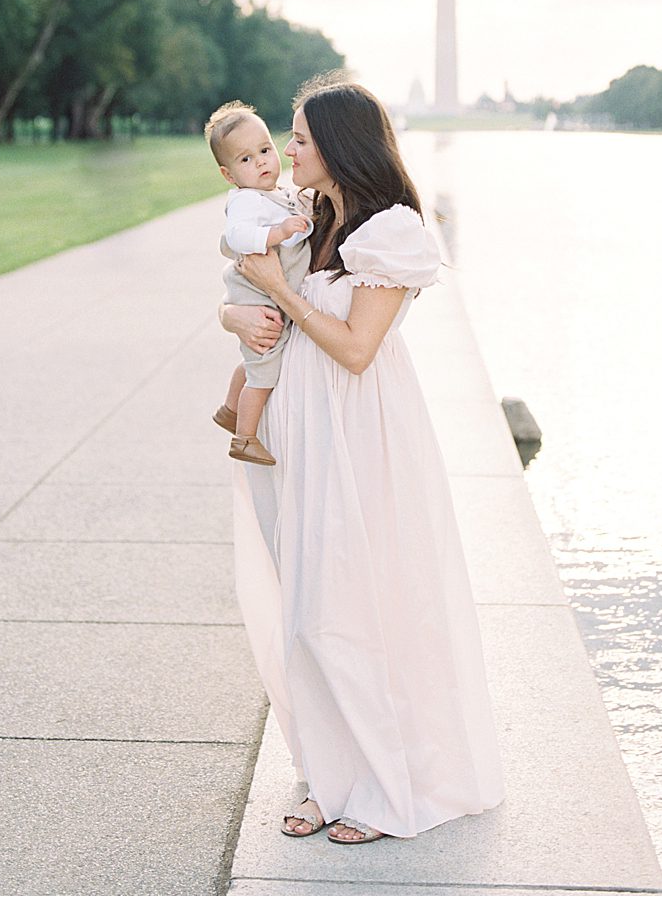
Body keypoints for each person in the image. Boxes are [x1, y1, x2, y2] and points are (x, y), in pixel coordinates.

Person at [220, 76, 506, 844]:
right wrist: (240, 308)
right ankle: (329, 774)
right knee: (305, 613)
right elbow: (243, 295)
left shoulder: (390, 233)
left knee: (351, 609)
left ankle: (384, 785)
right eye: (290, 135)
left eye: (303, 138)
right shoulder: (307, 219)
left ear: (341, 146)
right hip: (300, 431)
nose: (288, 150)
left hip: (360, 437)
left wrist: (280, 287)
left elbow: (354, 349)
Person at [205, 102, 313, 466]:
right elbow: (236, 236)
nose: (263, 162)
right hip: (257, 298)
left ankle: (230, 409)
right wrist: (278, 232)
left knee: (254, 362)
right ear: (228, 174)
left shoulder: (274, 194)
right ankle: (244, 438)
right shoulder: (245, 201)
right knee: (264, 373)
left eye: (265, 150)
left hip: (260, 298)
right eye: (246, 160)